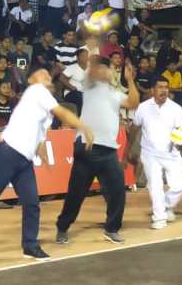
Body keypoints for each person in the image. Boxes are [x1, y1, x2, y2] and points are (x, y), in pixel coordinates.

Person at [0, 68, 93, 262]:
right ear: (33, 79)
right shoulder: (37, 91)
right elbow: (62, 112)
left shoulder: (44, 109)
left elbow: (40, 138)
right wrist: (84, 127)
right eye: (43, 74)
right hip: (7, 154)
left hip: (24, 161)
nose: (48, 77)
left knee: (32, 203)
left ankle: (30, 245)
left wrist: (43, 154)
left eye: (49, 75)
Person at [56, 57, 140, 243]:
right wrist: (98, 58)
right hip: (86, 148)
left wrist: (130, 80)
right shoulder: (89, 86)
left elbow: (133, 103)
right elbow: (93, 68)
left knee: (118, 192)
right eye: (105, 68)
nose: (107, 72)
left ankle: (111, 229)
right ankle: (62, 227)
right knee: (76, 194)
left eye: (109, 69)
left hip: (108, 150)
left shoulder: (115, 93)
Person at [131, 77, 182, 229]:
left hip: (171, 153)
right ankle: (159, 218)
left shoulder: (176, 108)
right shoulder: (143, 107)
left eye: (166, 87)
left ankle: (165, 206)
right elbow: (135, 127)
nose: (164, 90)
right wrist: (129, 148)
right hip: (150, 153)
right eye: (160, 87)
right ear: (152, 90)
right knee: (155, 186)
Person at [60, 47, 89, 113]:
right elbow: (61, 78)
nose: (86, 57)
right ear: (77, 57)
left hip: (85, 93)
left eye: (87, 55)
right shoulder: (72, 67)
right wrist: (72, 87)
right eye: (83, 56)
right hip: (72, 93)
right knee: (80, 96)